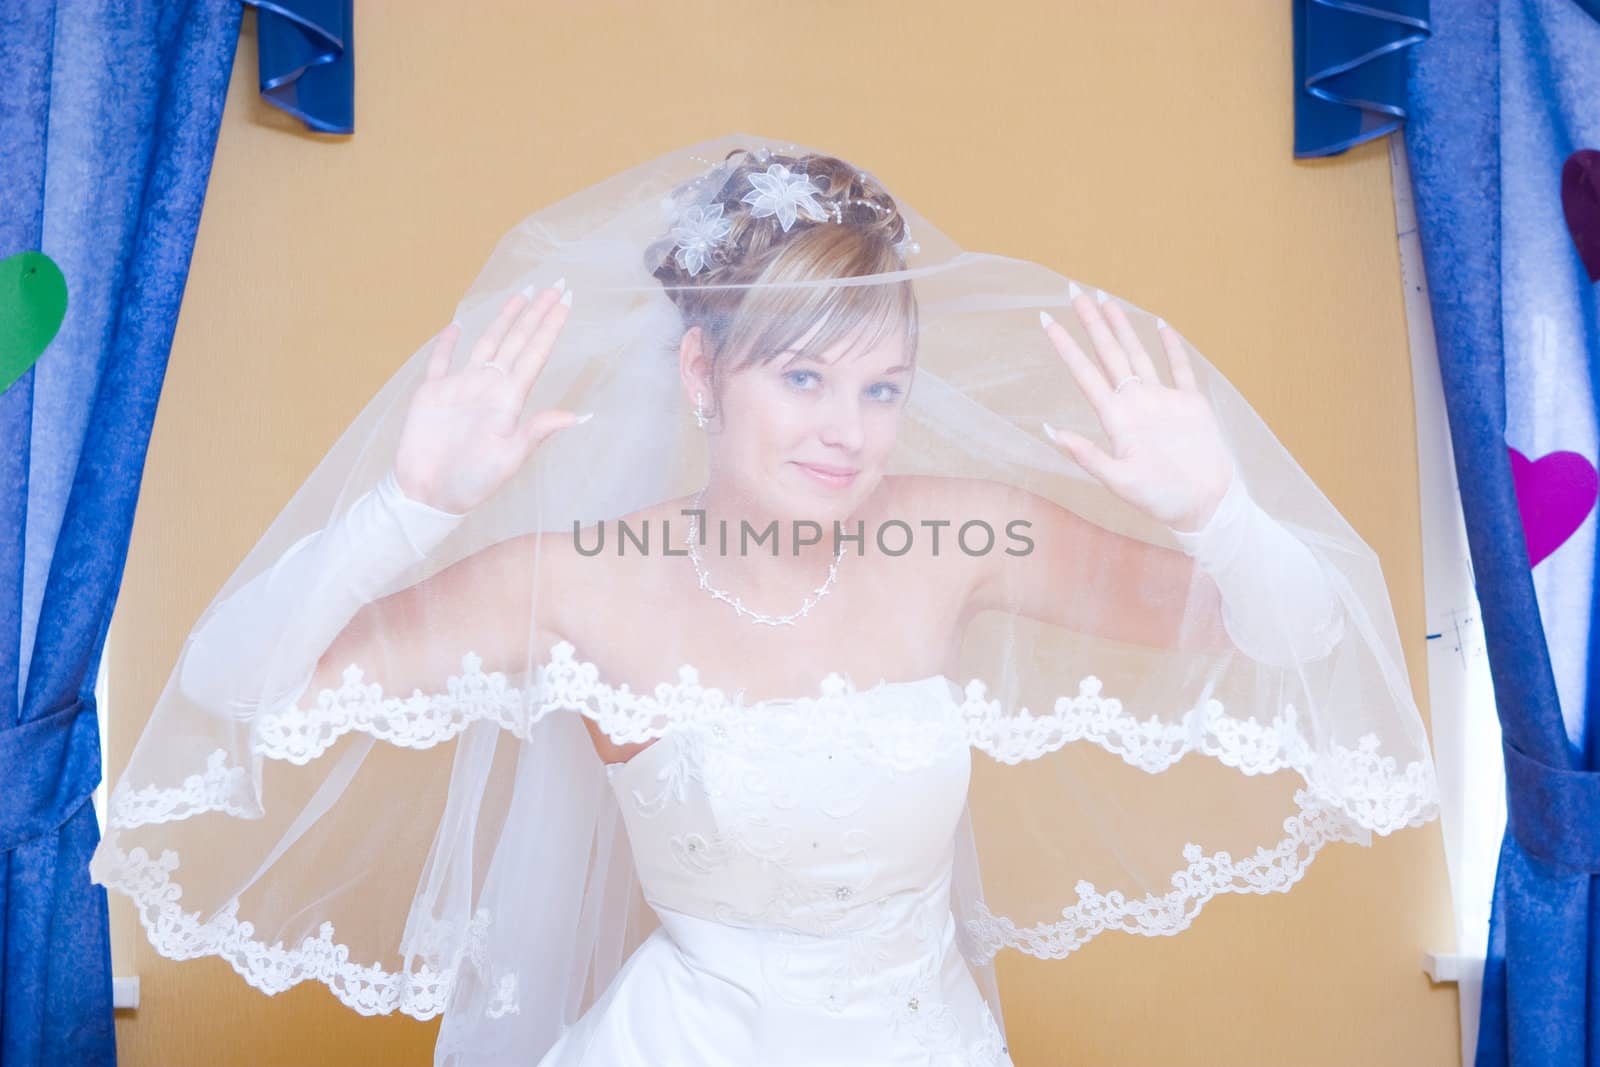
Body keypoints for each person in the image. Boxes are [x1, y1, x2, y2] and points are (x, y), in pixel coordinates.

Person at [90, 136, 1440, 1066]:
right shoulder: (576, 579)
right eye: (800, 379)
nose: (847, 432)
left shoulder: (956, 536)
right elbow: (232, 683)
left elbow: (1292, 630)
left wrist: (1215, 508)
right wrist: (411, 506)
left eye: (880, 387)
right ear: (700, 374)